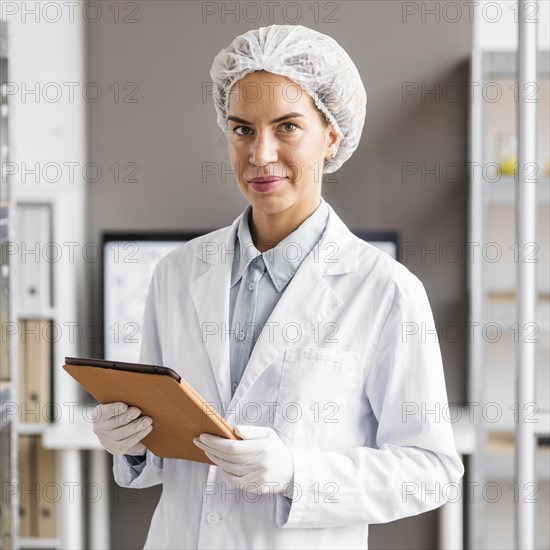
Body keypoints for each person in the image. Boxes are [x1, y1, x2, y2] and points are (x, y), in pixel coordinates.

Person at [92, 24, 464, 549]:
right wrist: (130, 443)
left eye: (287, 127)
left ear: (331, 135)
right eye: (242, 129)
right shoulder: (177, 273)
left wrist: (294, 472)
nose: (260, 155)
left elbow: (431, 470)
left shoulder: (384, 291)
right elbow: (165, 445)